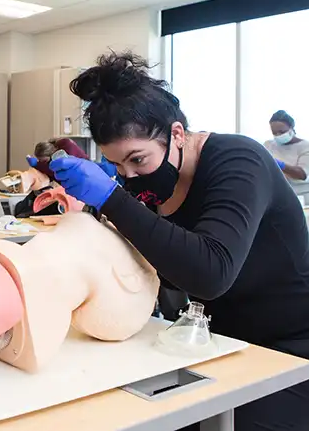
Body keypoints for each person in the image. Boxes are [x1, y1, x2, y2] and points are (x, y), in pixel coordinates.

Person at [49, 52, 309, 431]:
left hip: (289, 351)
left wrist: (112, 198)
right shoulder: (151, 184)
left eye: (138, 159)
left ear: (176, 134)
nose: (130, 176)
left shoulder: (239, 161)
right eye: (118, 167)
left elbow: (210, 275)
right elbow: (166, 268)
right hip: (217, 342)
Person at [265, 110, 309, 182]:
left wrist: (280, 165)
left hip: (297, 190)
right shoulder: (268, 145)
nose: (278, 135)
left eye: (282, 132)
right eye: (274, 133)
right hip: (273, 187)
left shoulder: (305, 146)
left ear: (291, 128)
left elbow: (302, 174)